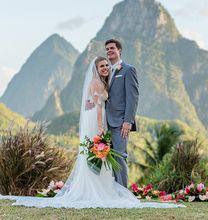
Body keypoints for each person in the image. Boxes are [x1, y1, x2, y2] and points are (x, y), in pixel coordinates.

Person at [0, 56, 185, 209]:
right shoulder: (97, 83)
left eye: (106, 65)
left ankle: (99, 188)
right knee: (97, 153)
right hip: (97, 121)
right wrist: (100, 128)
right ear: (96, 69)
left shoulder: (102, 81)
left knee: (98, 156)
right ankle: (93, 189)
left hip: (100, 118)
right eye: (101, 66)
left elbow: (98, 101)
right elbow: (97, 106)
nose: (105, 68)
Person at [105, 39, 139, 188]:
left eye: (112, 48)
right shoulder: (105, 72)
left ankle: (123, 193)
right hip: (105, 122)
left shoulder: (128, 70)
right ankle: (114, 191)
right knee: (109, 158)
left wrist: (128, 121)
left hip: (120, 122)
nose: (109, 51)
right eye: (107, 49)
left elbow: (133, 97)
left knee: (120, 157)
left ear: (119, 50)